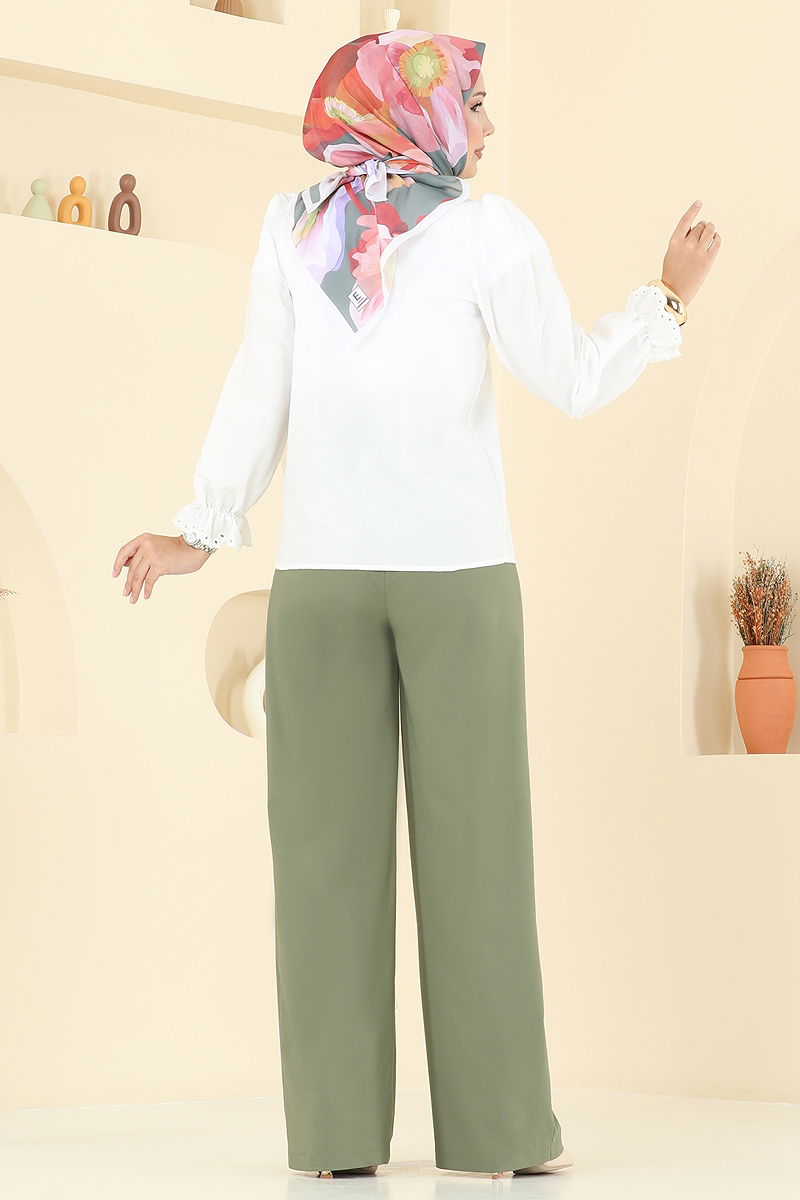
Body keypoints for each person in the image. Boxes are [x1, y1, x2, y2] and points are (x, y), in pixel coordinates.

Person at [112, 27, 721, 1179]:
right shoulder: (304, 227)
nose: (487, 125)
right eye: (474, 104)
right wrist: (201, 528)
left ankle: (476, 1130)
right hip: (363, 583)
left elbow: (559, 375)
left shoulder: (467, 231)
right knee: (338, 867)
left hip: (432, 582)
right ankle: (368, 1135)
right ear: (412, 110)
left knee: (449, 862)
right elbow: (262, 384)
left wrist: (663, 300)